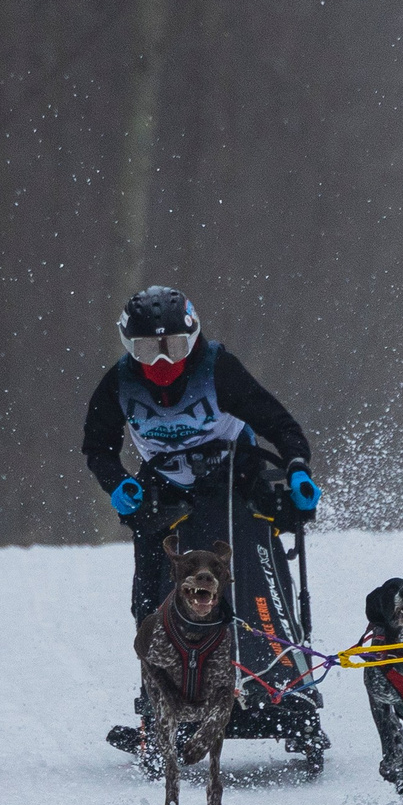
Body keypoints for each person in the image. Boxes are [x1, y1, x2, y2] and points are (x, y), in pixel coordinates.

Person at [82, 285, 326, 761]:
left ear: (192, 338)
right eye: (145, 349)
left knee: (244, 576)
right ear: (128, 347)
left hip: (234, 473)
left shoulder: (219, 368)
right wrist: (118, 484)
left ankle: (283, 683)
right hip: (165, 488)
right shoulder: (119, 384)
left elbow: (282, 426)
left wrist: (297, 467)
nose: (160, 362)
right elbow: (98, 447)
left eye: (172, 346)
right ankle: (163, 699)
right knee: (154, 591)